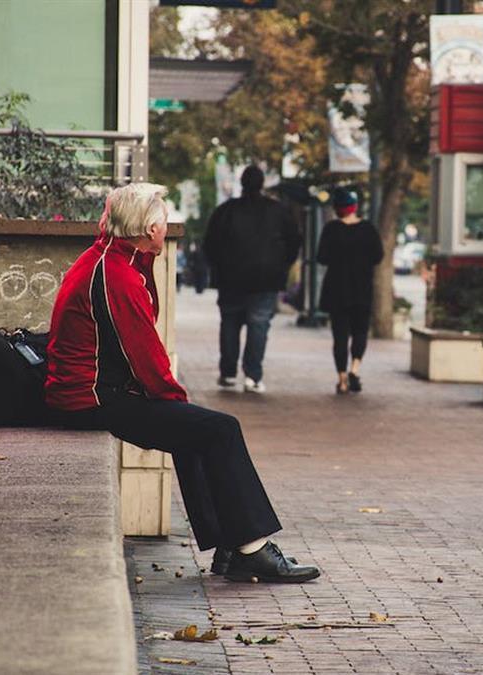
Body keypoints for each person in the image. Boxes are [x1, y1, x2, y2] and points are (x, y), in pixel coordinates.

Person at [44, 183, 320, 583]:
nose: (167, 227)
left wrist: (178, 408)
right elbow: (144, 353)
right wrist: (176, 401)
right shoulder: (115, 274)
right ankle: (252, 550)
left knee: (196, 429)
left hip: (95, 391)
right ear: (148, 229)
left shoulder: (115, 260)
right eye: (162, 221)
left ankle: (230, 547)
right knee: (219, 428)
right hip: (90, 399)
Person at [203, 166, 301, 394]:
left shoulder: (225, 211)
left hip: (230, 279)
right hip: (266, 279)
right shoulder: (278, 212)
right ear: (262, 184)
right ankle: (253, 375)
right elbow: (294, 242)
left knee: (229, 324)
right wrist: (281, 266)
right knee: (259, 325)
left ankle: (228, 373)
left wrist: (220, 267)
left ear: (242, 183)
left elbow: (210, 244)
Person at [317, 189, 383, 394]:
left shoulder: (331, 229)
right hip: (362, 289)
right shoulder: (368, 230)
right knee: (360, 332)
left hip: (337, 291)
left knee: (340, 337)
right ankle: (355, 368)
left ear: (337, 209)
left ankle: (342, 379)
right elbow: (378, 256)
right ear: (355, 207)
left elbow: (322, 257)